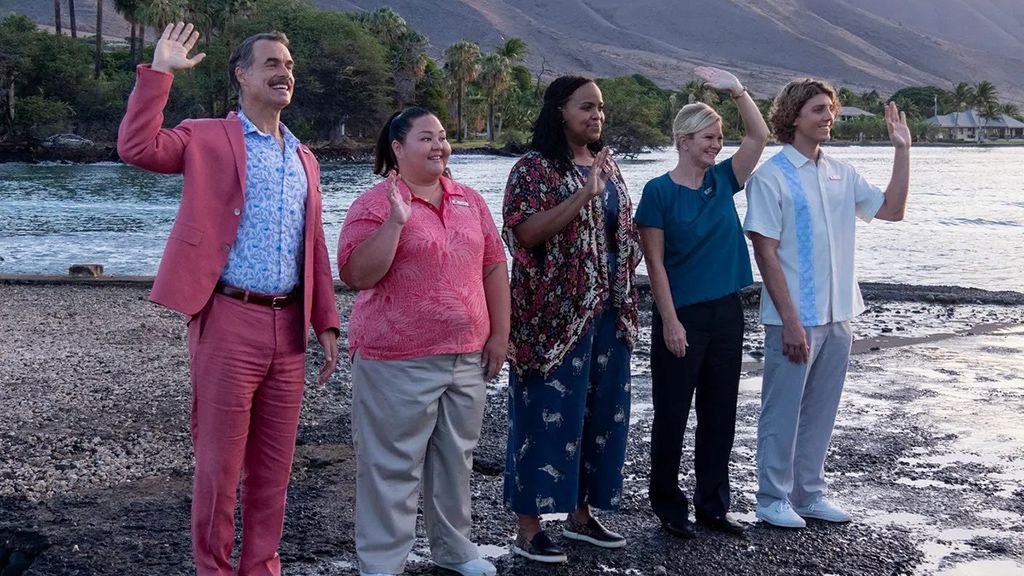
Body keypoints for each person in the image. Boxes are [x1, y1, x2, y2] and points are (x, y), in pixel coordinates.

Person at [117, 23, 340, 576]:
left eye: (288, 64)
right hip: (226, 317)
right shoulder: (208, 136)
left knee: (273, 469)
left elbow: (312, 246)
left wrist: (327, 323)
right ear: (241, 75)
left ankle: (262, 566)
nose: (283, 72)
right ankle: (212, 569)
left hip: (288, 328)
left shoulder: (304, 158)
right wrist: (160, 72)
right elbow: (137, 147)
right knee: (219, 468)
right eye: (269, 63)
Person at [337, 106, 510, 576]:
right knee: (390, 465)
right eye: (426, 138)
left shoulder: (469, 200)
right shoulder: (374, 205)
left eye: (443, 137)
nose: (439, 146)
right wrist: (395, 222)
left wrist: (499, 335)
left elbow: (494, 266)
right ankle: (382, 562)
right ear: (397, 148)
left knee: (456, 460)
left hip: (466, 355)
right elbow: (355, 274)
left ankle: (455, 551)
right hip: (396, 359)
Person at [743, 79, 911, 528]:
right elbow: (765, 252)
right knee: (782, 410)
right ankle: (771, 499)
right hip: (792, 319)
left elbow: (892, 210)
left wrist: (902, 150)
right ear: (794, 116)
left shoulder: (843, 172)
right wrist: (791, 321)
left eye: (830, 108)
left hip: (840, 317)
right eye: (818, 109)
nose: (828, 116)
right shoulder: (771, 176)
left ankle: (810, 494)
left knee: (821, 410)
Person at [501, 76, 641, 563]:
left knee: (599, 416)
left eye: (601, 108)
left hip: (609, 313)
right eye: (586, 107)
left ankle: (581, 517)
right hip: (551, 320)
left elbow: (621, 234)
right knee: (542, 417)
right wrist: (583, 195)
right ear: (560, 110)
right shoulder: (533, 169)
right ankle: (529, 526)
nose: (596, 116)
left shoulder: (610, 167)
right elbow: (526, 234)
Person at [635, 66, 769, 539]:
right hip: (682, 315)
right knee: (672, 414)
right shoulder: (658, 192)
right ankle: (669, 506)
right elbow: (654, 265)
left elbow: (759, 135)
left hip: (727, 313)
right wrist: (669, 321)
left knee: (720, 413)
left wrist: (737, 90)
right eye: (708, 138)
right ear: (683, 141)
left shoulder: (723, 182)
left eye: (718, 137)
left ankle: (713, 506)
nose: (717, 144)